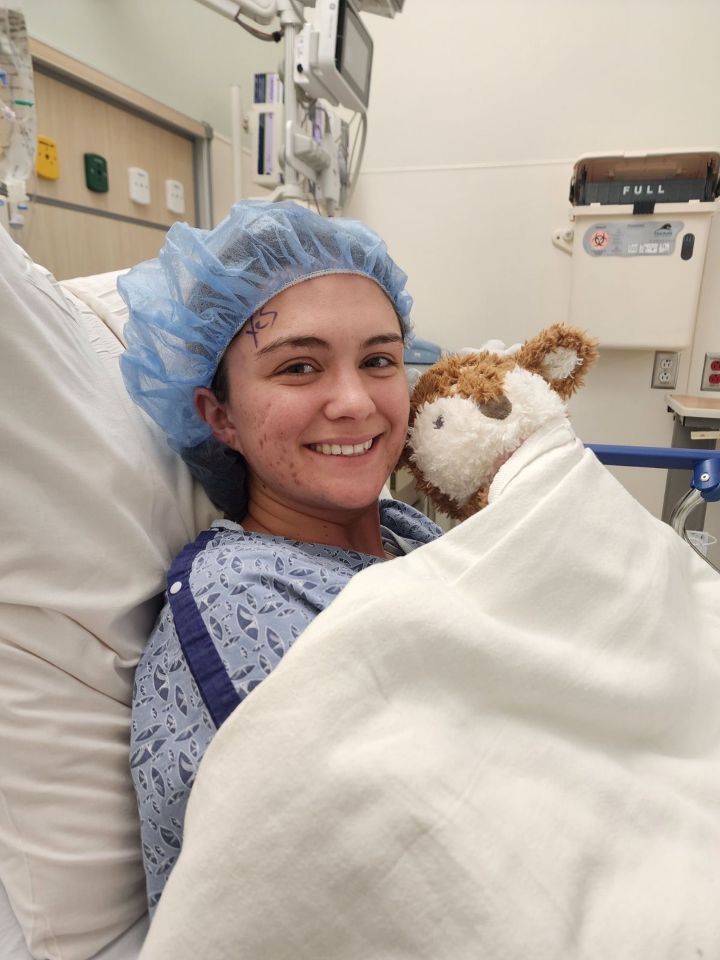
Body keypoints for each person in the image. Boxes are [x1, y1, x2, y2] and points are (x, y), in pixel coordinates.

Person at [118, 200, 443, 913]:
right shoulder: (239, 598)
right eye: (300, 367)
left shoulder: (408, 528)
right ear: (220, 416)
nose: (356, 401)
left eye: (380, 359)